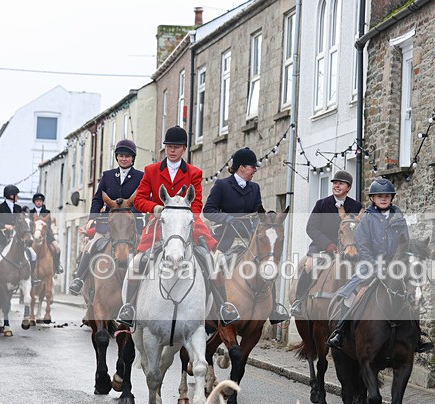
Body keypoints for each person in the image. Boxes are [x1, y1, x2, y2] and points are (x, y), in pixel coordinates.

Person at [116, 126, 236, 328]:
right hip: (158, 224)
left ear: (183, 149)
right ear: (165, 148)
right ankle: (128, 306)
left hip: (187, 224)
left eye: (176, 147)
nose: (172, 150)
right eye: (169, 147)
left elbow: (197, 202)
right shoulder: (151, 171)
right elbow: (140, 200)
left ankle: (223, 305)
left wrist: (186, 214)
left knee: (212, 259)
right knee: (137, 261)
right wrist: (155, 208)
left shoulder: (194, 173)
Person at [326, 178, 433, 353]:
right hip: (370, 264)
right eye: (379, 196)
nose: (383, 199)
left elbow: (404, 244)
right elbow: (362, 244)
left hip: (394, 265)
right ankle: (341, 331)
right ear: (373, 199)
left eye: (387, 196)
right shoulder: (367, 218)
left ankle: (417, 336)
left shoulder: (399, 218)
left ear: (391, 198)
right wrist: (375, 265)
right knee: (350, 294)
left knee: (413, 293)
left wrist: (396, 264)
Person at [203, 147, 290, 324]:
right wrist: (226, 218)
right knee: (212, 267)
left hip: (250, 239)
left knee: (267, 265)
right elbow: (208, 211)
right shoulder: (222, 185)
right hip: (225, 237)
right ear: (241, 167)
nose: (255, 170)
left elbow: (257, 212)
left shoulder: (255, 188)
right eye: (253, 167)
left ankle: (273, 310)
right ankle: (206, 306)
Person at [69, 139, 144, 296]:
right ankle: (79, 279)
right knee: (92, 244)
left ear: (133, 158)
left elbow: (143, 199)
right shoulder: (108, 175)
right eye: (121, 155)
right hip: (109, 224)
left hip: (131, 224)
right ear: (117, 157)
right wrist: (92, 217)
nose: (124, 159)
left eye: (128, 156)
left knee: (145, 252)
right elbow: (97, 199)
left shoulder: (140, 177)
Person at [290, 170, 362, 317]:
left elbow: (359, 229)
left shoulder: (356, 206)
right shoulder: (322, 204)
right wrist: (328, 245)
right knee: (309, 266)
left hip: (349, 247)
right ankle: (299, 301)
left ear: (348, 188)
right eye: (335, 183)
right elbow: (311, 227)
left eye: (341, 183)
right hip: (322, 246)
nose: (337, 185)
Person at [0, 185, 36, 287]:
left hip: (16, 240)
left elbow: (22, 223)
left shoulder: (18, 208)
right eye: (16, 195)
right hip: (1, 239)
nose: (18, 197)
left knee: (33, 255)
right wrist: (4, 226)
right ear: (11, 196)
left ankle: (32, 277)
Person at [30, 193, 63, 274]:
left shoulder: (47, 212)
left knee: (57, 248)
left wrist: (45, 234)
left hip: (46, 236)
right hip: (33, 236)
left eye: (40, 201)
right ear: (34, 202)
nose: (38, 202)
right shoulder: (30, 212)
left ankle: (57, 265)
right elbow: (29, 225)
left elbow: (48, 226)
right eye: (37, 201)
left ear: (42, 202)